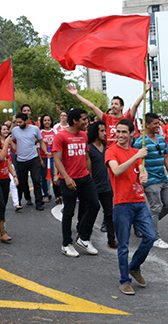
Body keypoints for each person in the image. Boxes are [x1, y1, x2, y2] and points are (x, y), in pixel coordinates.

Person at [105, 118, 154, 296]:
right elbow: (117, 171)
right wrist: (136, 156)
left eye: (124, 132)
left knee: (150, 236)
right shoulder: (111, 152)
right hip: (122, 204)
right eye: (118, 131)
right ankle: (124, 281)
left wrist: (144, 175)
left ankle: (134, 267)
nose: (120, 135)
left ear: (132, 134)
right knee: (123, 245)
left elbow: (142, 173)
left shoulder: (136, 152)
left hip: (139, 202)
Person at [53, 107, 100, 257]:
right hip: (68, 179)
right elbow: (57, 159)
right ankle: (66, 244)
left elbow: (86, 157)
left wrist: (90, 176)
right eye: (84, 119)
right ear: (75, 121)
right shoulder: (61, 136)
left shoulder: (84, 136)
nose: (87, 121)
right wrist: (66, 178)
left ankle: (84, 238)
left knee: (94, 205)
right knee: (68, 212)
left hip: (85, 178)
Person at [134, 113, 168, 249]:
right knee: (155, 208)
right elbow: (135, 162)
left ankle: (144, 224)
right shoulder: (140, 142)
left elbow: (166, 158)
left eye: (159, 123)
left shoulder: (161, 139)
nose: (158, 126)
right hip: (150, 181)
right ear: (147, 125)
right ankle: (154, 237)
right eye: (155, 124)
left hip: (163, 178)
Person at [67, 81, 151, 144]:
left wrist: (146, 91)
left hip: (123, 153)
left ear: (122, 107)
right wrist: (76, 95)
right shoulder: (106, 118)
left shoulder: (127, 119)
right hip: (109, 155)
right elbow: (91, 106)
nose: (113, 106)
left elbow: (136, 105)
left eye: (116, 104)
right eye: (112, 104)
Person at [87, 120, 117, 248]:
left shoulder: (106, 148)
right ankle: (84, 236)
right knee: (90, 213)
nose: (105, 133)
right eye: (102, 131)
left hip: (106, 187)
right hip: (93, 186)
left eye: (105, 130)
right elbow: (88, 169)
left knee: (109, 214)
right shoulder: (88, 148)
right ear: (95, 132)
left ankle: (111, 240)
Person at [11, 112, 45, 210]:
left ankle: (39, 203)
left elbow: (41, 141)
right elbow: (10, 140)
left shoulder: (34, 129)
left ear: (26, 121)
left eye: (20, 122)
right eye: (17, 122)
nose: (18, 124)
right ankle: (19, 202)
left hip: (33, 158)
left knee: (36, 181)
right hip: (21, 160)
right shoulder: (15, 130)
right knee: (22, 182)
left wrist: (46, 152)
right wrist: (13, 147)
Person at [39, 114, 57, 203]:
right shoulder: (40, 132)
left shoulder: (55, 131)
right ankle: (46, 194)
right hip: (44, 157)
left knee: (55, 176)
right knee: (44, 177)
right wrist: (40, 160)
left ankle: (57, 195)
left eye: (48, 120)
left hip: (54, 158)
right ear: (42, 122)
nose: (47, 122)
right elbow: (38, 147)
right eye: (45, 120)